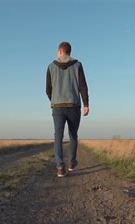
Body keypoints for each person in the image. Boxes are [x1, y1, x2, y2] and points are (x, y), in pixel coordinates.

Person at [46, 41, 89, 177]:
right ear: (69, 51)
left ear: (60, 51)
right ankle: (71, 163)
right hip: (73, 106)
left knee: (58, 136)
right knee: (73, 135)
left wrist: (54, 100)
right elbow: (83, 86)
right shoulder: (77, 65)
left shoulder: (51, 66)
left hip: (57, 107)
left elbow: (48, 89)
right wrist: (86, 104)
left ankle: (59, 167)